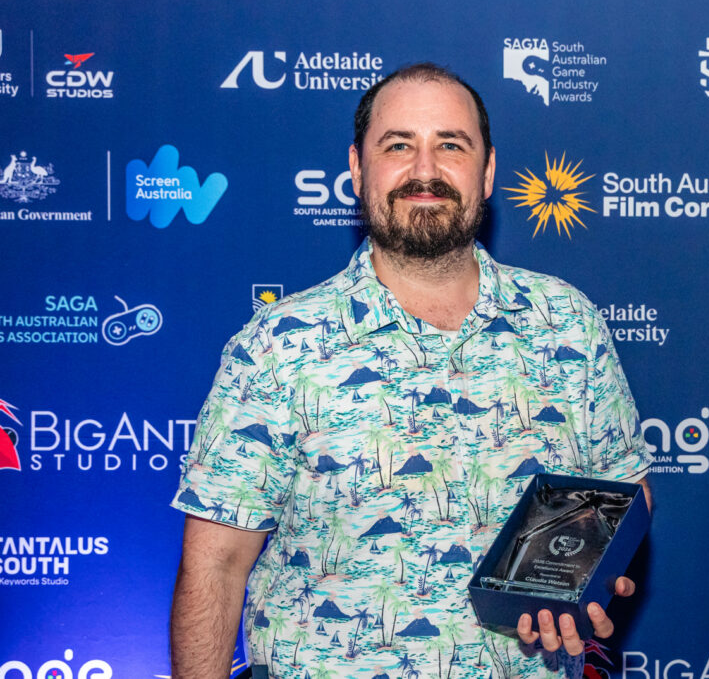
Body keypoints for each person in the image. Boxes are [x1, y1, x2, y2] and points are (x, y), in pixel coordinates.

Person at [170, 62, 652, 679]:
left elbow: (624, 490)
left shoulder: (567, 323)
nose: (425, 170)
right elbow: (215, 566)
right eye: (398, 146)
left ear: (487, 172)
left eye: (451, 145)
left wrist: (582, 578)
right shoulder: (279, 344)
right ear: (356, 169)